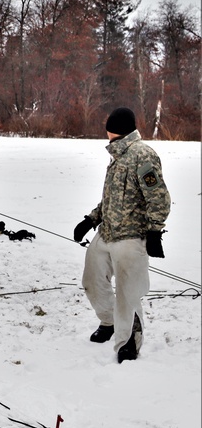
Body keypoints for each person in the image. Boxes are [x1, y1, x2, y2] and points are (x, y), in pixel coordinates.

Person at [73, 107, 171, 363]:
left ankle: (128, 342)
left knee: (128, 293)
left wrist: (154, 232)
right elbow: (112, 198)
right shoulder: (118, 155)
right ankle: (109, 321)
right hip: (107, 232)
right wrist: (91, 219)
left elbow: (159, 198)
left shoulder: (142, 155)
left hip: (130, 236)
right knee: (92, 281)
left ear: (116, 129)